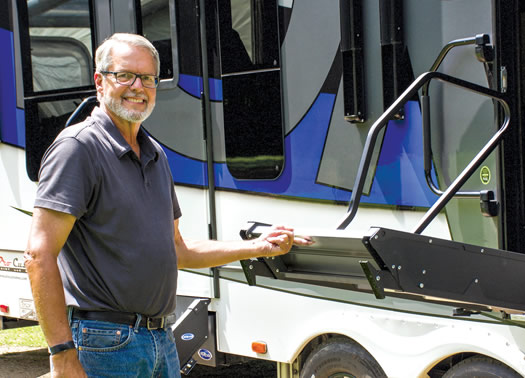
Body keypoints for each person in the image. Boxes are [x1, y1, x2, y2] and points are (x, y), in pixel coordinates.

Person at [24, 33, 311, 378]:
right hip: (104, 342)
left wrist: (257, 247)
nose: (138, 87)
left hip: (159, 338)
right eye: (125, 75)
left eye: (147, 78)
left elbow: (178, 249)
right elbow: (39, 255)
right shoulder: (78, 149)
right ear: (100, 82)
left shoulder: (154, 155)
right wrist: (62, 356)